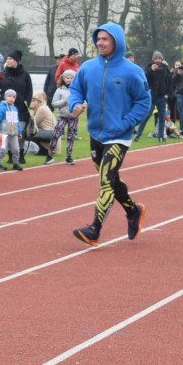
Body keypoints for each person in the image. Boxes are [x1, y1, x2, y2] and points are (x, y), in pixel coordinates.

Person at [69, 23, 150, 247]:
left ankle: (94, 229)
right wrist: (75, 104)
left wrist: (127, 123)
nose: (100, 43)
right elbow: (76, 90)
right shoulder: (87, 68)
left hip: (119, 135)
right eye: (98, 39)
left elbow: (144, 101)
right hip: (97, 133)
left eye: (105, 39)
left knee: (105, 180)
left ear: (117, 41)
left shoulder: (132, 71)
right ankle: (133, 211)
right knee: (111, 179)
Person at [1, 51, 33, 163]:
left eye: (11, 59)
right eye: (7, 59)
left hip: (21, 109)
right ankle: (10, 155)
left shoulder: (25, 74)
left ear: (17, 61)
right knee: (8, 131)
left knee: (21, 131)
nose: (8, 61)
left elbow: (30, 90)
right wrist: (1, 102)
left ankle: (21, 153)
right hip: (7, 109)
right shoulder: (3, 74)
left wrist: (27, 103)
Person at [139, 51, 171, 142]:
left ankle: (161, 136)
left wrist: (167, 94)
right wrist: (151, 70)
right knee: (147, 115)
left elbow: (169, 81)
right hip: (152, 97)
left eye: (160, 58)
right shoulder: (149, 67)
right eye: (156, 58)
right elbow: (144, 78)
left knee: (162, 118)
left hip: (162, 97)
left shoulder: (165, 68)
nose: (158, 60)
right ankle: (138, 134)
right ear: (153, 59)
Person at [49, 69, 79, 165]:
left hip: (74, 117)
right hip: (62, 116)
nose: (69, 80)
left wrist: (82, 105)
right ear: (64, 78)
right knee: (56, 134)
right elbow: (54, 103)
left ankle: (69, 156)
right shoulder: (60, 90)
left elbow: (82, 101)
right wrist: (63, 102)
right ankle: (50, 154)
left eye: (71, 78)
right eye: (67, 78)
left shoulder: (78, 90)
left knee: (71, 137)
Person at [0, 89, 23, 171]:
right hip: (4, 133)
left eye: (13, 97)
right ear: (5, 97)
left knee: (16, 149)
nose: (11, 98)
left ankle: (15, 163)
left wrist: (19, 132)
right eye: (9, 96)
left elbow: (17, 121)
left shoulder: (15, 108)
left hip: (14, 133)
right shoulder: (2, 108)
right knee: (2, 149)